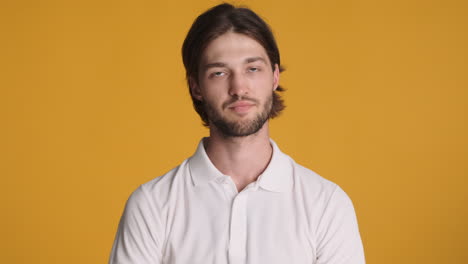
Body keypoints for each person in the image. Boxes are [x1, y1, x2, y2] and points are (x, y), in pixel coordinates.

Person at [109, 3, 365, 264]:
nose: (238, 87)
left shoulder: (326, 204)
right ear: (196, 86)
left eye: (252, 69)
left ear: (274, 77)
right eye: (219, 73)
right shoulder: (152, 205)